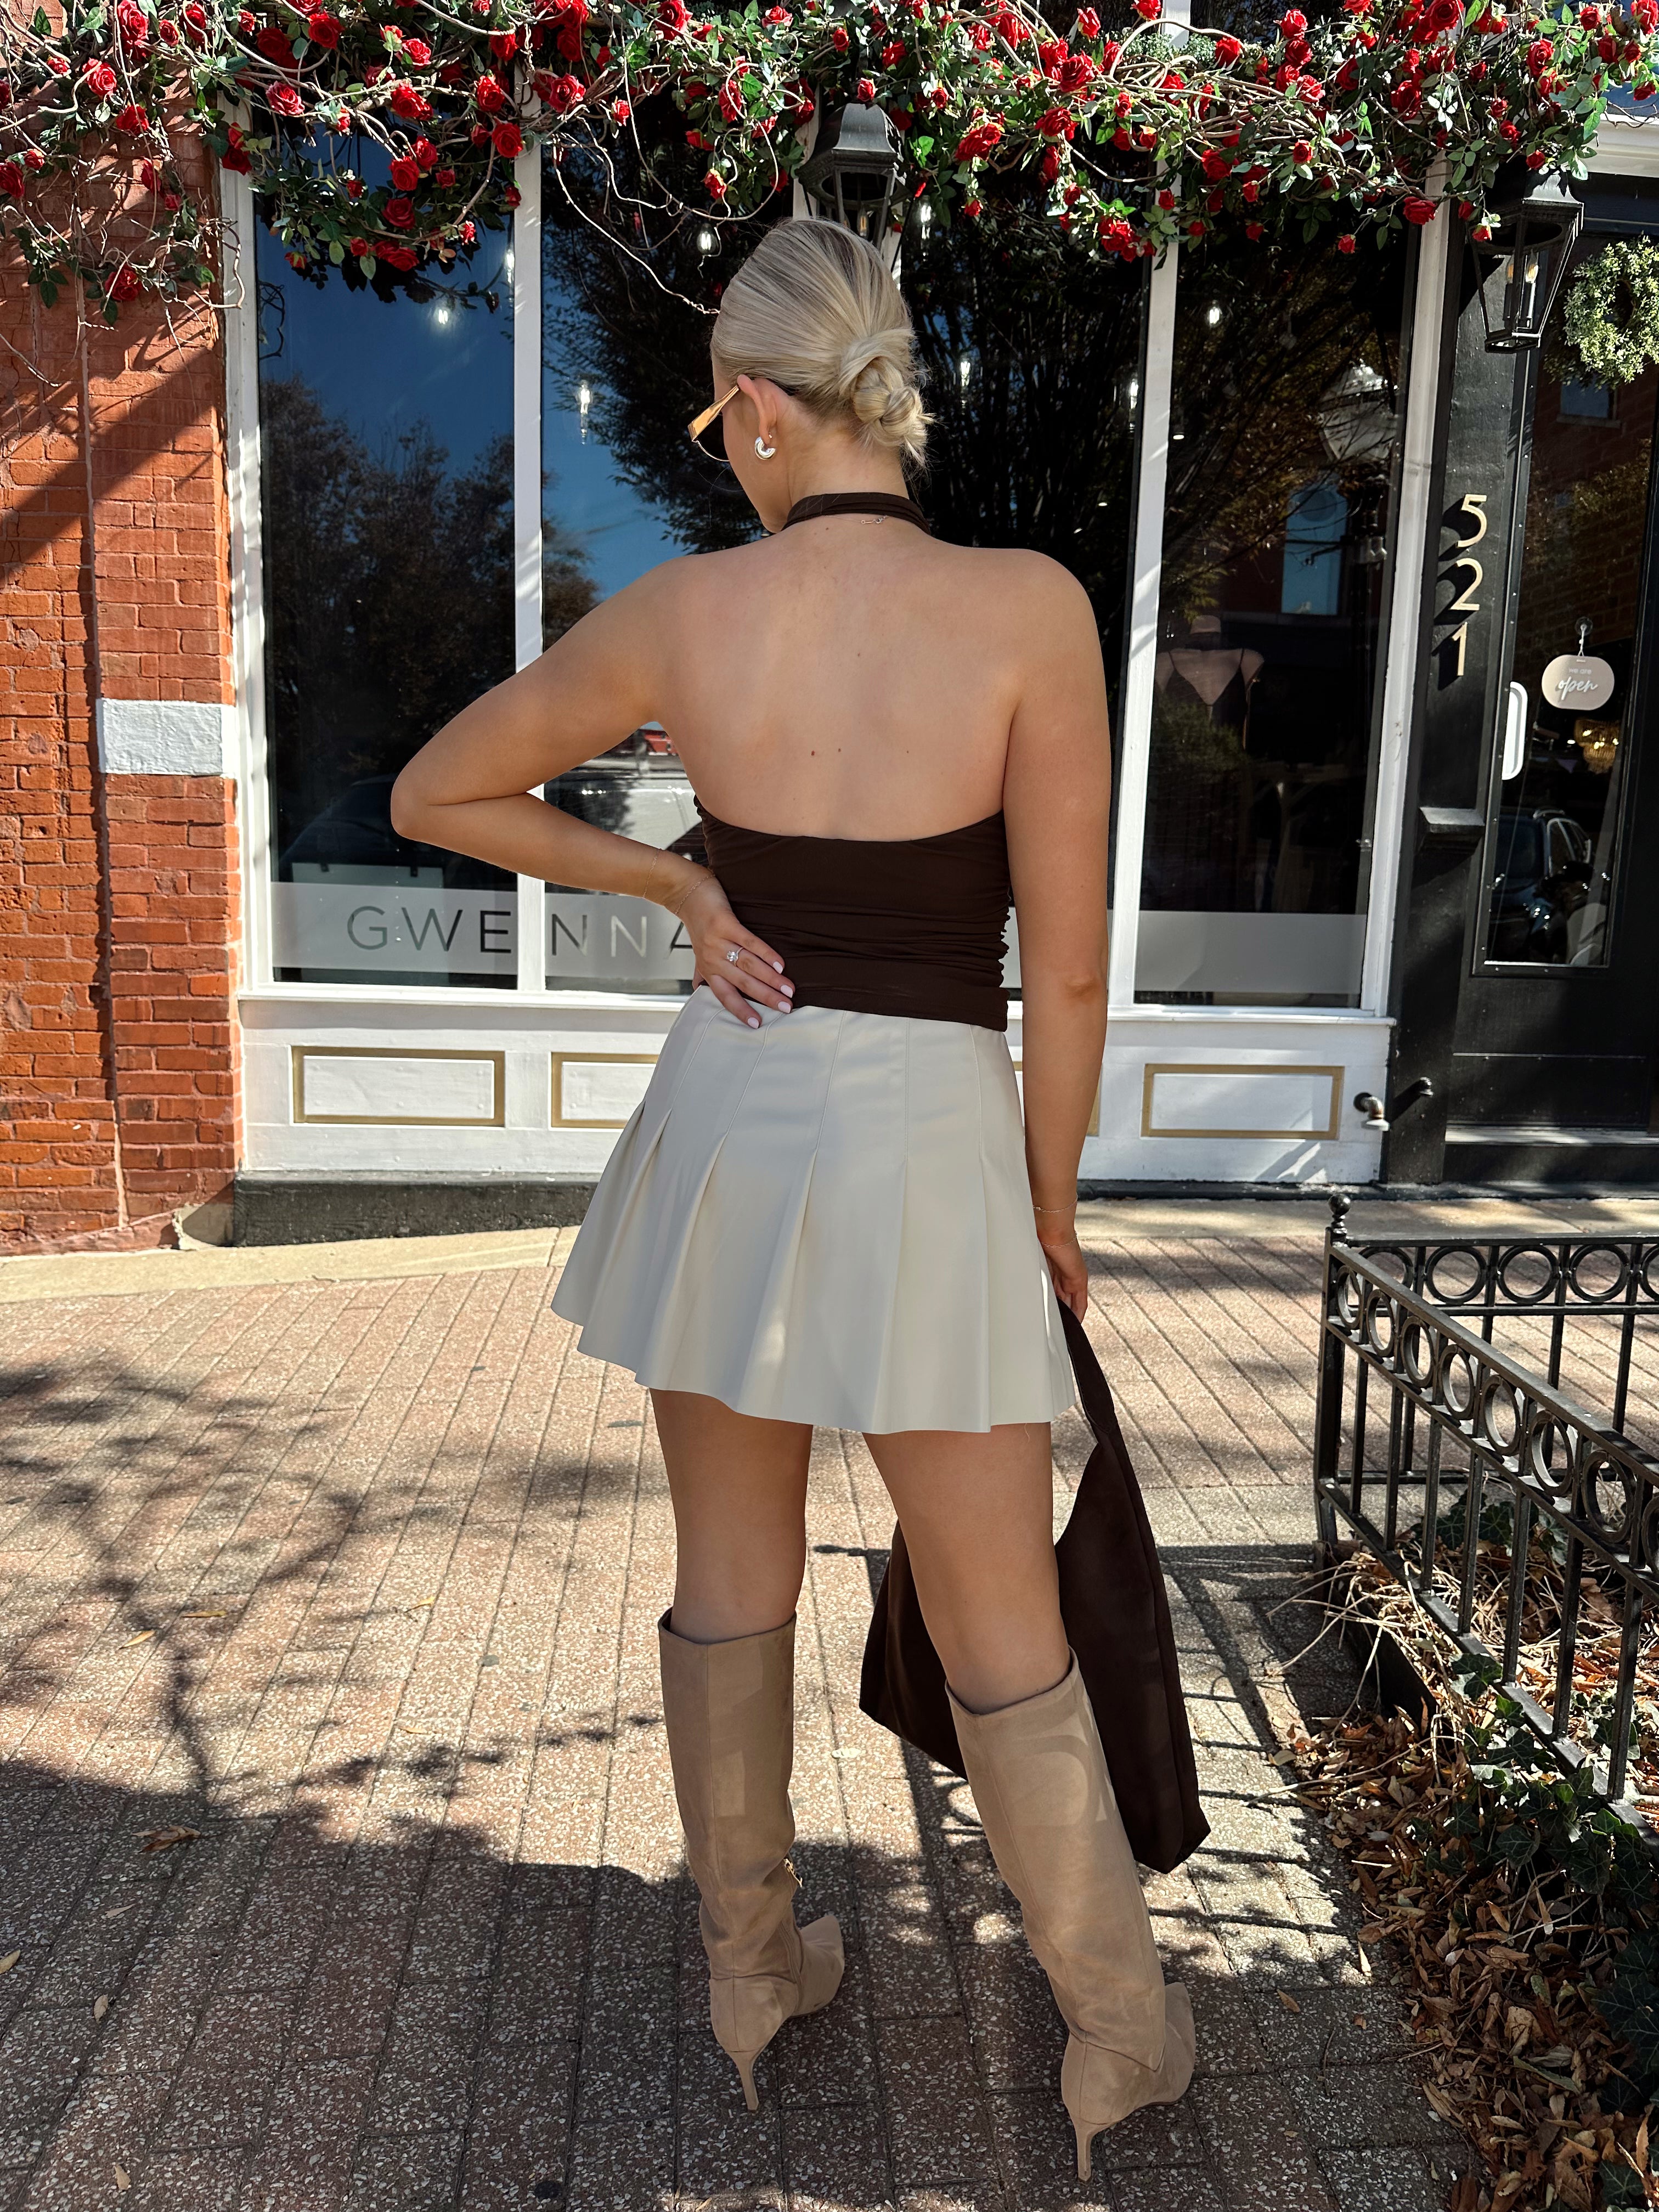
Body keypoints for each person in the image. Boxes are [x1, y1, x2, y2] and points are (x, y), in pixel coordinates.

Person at [391, 215, 1193, 2180]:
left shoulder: (684, 615)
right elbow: (1070, 971)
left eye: (714, 416)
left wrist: (679, 887)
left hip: (733, 1126)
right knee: (1008, 1616)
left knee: (730, 1581)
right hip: (932, 1136)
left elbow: (437, 794)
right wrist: (1054, 1204)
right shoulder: (1031, 607)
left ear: (757, 404)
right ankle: (1118, 2033)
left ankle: (754, 1980)